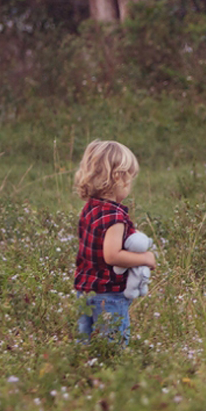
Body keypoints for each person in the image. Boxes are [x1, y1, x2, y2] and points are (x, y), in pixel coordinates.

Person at [73, 140, 156, 344]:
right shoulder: (115, 217)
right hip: (108, 295)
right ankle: (107, 375)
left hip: (84, 290)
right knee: (112, 346)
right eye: (129, 180)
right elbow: (112, 255)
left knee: (84, 343)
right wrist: (144, 258)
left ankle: (84, 373)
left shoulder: (90, 208)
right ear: (118, 177)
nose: (129, 186)